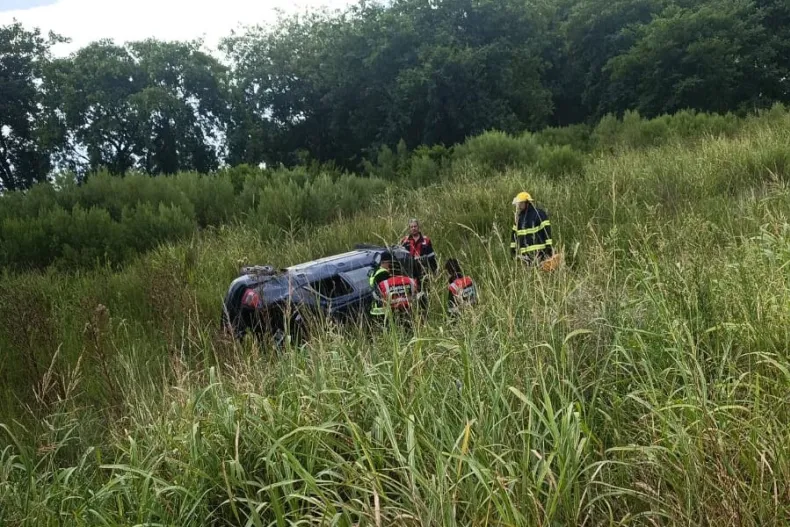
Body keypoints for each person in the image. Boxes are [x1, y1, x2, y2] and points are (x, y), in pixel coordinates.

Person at [368, 251, 419, 327]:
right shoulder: (383, 274)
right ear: (386, 262)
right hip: (385, 309)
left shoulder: (375, 272)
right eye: (389, 263)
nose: (389, 265)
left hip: (378, 308)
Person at [510, 191, 553, 264]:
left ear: (526, 202)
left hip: (540, 254)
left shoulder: (539, 214)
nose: (518, 206)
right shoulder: (519, 218)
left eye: (520, 203)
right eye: (518, 204)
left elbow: (547, 230)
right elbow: (514, 235)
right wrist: (512, 250)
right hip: (525, 257)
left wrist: (548, 247)